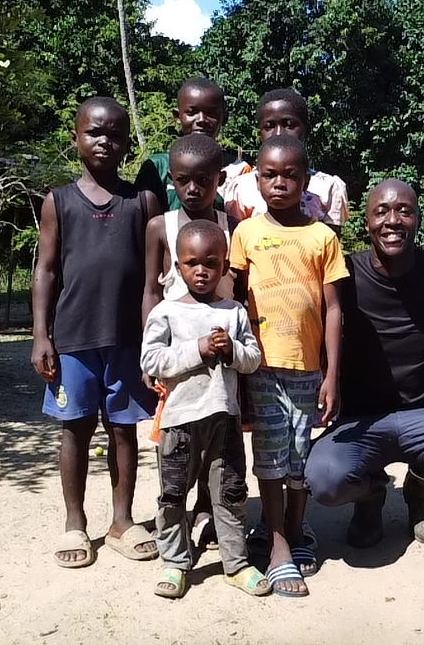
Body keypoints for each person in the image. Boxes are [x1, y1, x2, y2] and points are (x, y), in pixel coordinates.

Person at [305, 179, 424, 548]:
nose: (393, 220)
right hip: (361, 418)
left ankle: (420, 490)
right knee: (325, 481)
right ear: (366, 222)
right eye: (382, 211)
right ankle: (370, 496)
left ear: (418, 220)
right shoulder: (345, 276)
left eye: (404, 211)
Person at [31, 96, 160, 568]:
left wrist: (157, 338)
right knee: (75, 432)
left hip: (129, 338)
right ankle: (74, 523)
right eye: (94, 132)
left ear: (127, 144)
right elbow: (45, 271)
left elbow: (155, 275)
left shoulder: (142, 201)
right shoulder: (58, 201)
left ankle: (123, 521)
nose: (105, 141)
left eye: (115, 134)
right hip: (74, 340)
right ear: (76, 138)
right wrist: (41, 335)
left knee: (124, 432)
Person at [229, 134, 347, 598]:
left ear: (305, 179)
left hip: (307, 368)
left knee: (301, 456)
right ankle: (277, 544)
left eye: (289, 175)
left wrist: (332, 373)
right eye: (270, 174)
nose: (279, 183)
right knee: (272, 456)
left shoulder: (322, 237)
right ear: (257, 179)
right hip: (260, 366)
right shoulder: (246, 233)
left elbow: (334, 309)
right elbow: (234, 298)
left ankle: (297, 531)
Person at [140, 221, 269, 599]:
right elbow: (151, 360)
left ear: (225, 265)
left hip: (223, 420)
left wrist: (231, 350)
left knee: (229, 491)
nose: (201, 271)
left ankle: (236, 563)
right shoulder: (166, 312)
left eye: (211, 263)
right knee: (174, 493)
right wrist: (196, 348)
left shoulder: (233, 312)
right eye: (192, 263)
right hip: (179, 423)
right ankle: (176, 562)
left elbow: (253, 359)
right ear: (178, 267)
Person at [140, 132, 239, 550]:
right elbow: (149, 289)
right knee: (180, 441)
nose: (193, 189)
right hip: (178, 357)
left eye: (204, 180)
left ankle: (212, 514)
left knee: (222, 442)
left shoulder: (233, 225)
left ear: (220, 179)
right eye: (182, 180)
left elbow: (241, 290)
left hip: (225, 354)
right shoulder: (160, 226)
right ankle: (176, 533)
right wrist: (151, 357)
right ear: (172, 181)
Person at [222, 89, 349, 231]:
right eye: (269, 126)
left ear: (306, 128)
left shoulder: (327, 187)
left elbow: (331, 245)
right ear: (260, 133)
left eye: (288, 124)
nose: (278, 133)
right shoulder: (243, 187)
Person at [135, 77, 237, 211]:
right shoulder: (157, 167)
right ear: (177, 116)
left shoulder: (239, 171)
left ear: (224, 118)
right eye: (192, 112)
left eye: (211, 113)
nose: (201, 120)